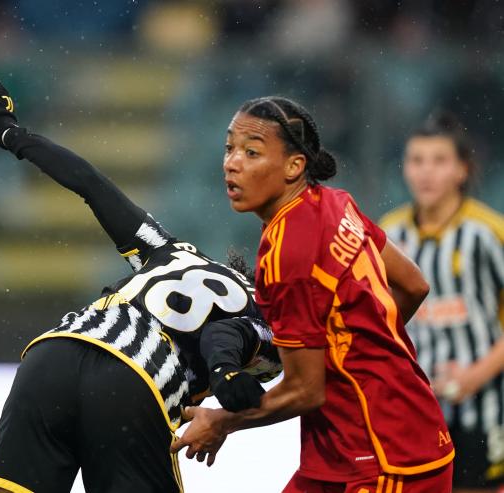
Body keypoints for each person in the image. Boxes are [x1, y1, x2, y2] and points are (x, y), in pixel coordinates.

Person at [0, 76, 282, 493]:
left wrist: (11, 132)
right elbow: (229, 332)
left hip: (53, 355)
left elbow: (91, 185)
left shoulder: (169, 248)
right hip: (135, 381)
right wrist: (224, 373)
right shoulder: (273, 317)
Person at [172, 96, 456, 492]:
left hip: (384, 457)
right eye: (229, 148)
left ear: (294, 166)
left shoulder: (287, 254)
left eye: (251, 152)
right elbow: (413, 285)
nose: (232, 163)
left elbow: (306, 390)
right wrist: (361, 349)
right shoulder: (336, 203)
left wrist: (222, 422)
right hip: (345, 447)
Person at [380, 112, 504, 493]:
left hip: (484, 407)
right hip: (414, 411)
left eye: (439, 161)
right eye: (417, 160)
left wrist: (473, 377)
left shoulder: (486, 232)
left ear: (462, 170)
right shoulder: (389, 234)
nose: (426, 172)